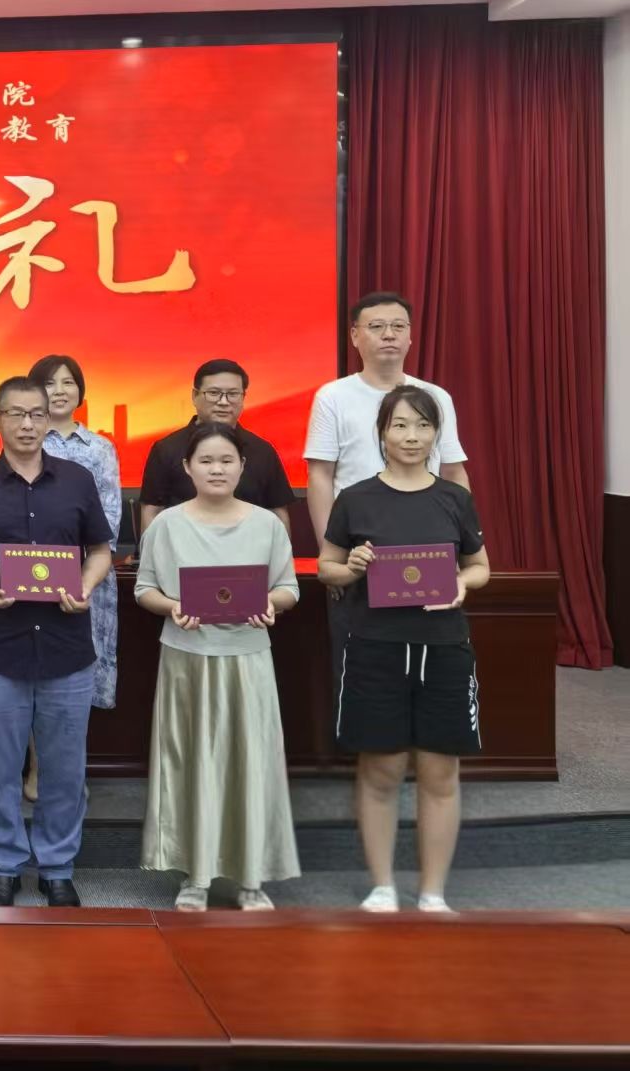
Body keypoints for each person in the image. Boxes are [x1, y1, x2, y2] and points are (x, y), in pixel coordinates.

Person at [318, 385, 489, 914]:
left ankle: (433, 892)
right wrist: (352, 567)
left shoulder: (454, 498)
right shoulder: (356, 498)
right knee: (382, 770)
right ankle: (383, 887)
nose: (411, 436)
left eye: (422, 425)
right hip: (375, 647)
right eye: (400, 425)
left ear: (437, 434)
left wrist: (462, 584)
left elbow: (480, 566)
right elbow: (327, 567)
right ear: (382, 434)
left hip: (444, 647)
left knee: (439, 772)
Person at [0, 376, 114, 907]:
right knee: (1, 767)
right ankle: (3, 865)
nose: (27, 424)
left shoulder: (78, 480)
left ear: (49, 420)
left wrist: (85, 586)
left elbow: (100, 550)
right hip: (0, 648)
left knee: (65, 768)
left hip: (67, 648)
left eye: (36, 414)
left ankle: (58, 867)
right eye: (15, 414)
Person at [134, 422, 302, 911]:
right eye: (205, 461)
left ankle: (252, 879)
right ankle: (195, 876)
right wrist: (172, 607)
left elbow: (289, 588)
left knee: (251, 764)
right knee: (191, 765)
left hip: (248, 660)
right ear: (187, 467)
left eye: (226, 461)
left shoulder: (266, 525)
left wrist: (271, 603)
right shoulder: (166, 525)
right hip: (186, 660)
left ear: (242, 467)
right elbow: (144, 589)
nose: (216, 469)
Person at [305, 291, 469, 690]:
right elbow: (321, 476)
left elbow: (453, 471)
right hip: (360, 550)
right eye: (376, 327)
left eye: (398, 326)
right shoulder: (333, 396)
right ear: (355, 336)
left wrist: (460, 547)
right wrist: (332, 558)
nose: (389, 335)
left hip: (426, 546)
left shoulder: (435, 397)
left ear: (411, 336)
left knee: (433, 667)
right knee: (361, 672)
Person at [26, 353, 122, 800]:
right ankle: (36, 771)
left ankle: (69, 771)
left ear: (81, 391)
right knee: (35, 673)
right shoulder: (26, 437)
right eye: (49, 382)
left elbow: (110, 517)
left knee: (77, 679)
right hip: (33, 574)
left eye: (68, 382)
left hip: (89, 578)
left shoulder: (100, 448)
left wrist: (82, 574)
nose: (60, 390)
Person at [138, 359, 295, 533]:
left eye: (233, 394)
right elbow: (152, 511)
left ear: (243, 397)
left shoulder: (263, 451)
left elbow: (278, 513)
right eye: (214, 393)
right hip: (183, 547)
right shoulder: (166, 449)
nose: (223, 402)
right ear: (194, 396)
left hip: (249, 547)